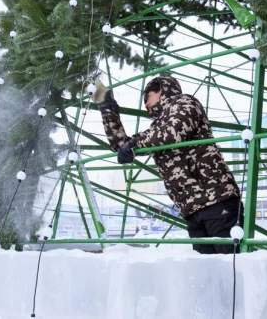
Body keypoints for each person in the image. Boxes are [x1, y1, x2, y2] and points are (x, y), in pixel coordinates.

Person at [94, 75, 243, 254]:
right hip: (192, 208)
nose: (146, 105)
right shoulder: (156, 130)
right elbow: (122, 145)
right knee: (208, 270)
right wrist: (108, 109)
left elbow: (173, 132)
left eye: (147, 97)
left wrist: (134, 145)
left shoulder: (186, 103)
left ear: (162, 91)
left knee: (232, 262)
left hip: (216, 200)